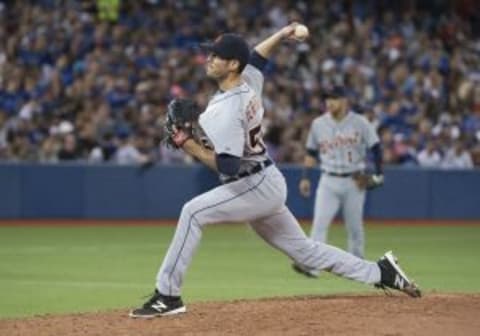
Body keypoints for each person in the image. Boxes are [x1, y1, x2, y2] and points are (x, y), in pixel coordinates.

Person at [129, 23, 421, 319]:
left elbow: (227, 164)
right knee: (306, 252)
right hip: (263, 181)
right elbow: (257, 57)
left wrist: (187, 144)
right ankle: (381, 272)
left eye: (216, 56)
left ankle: (167, 295)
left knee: (192, 212)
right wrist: (282, 34)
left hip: (251, 184)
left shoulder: (226, 109)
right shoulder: (247, 83)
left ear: (232, 65)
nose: (209, 59)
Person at [293, 88, 384, 278]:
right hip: (328, 179)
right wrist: (305, 177)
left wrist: (379, 173)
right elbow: (311, 153)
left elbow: (376, 147)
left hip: (354, 180)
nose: (329, 103)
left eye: (333, 99)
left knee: (354, 228)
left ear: (344, 101)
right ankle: (312, 266)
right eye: (327, 99)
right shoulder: (318, 124)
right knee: (319, 225)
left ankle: (358, 269)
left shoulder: (360, 122)